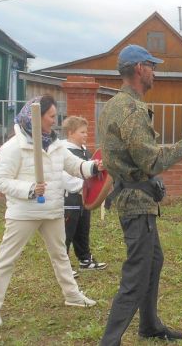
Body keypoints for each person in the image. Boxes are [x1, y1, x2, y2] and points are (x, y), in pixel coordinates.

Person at [98, 45, 182, 345]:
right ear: (138, 69)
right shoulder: (131, 110)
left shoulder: (115, 105)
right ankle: (109, 341)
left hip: (136, 200)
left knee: (154, 260)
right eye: (152, 66)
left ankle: (148, 324)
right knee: (137, 273)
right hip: (135, 203)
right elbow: (152, 161)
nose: (155, 72)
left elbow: (133, 159)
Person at [0, 95, 101, 328]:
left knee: (60, 256)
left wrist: (94, 167)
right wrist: (29, 189)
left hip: (52, 211)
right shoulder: (13, 147)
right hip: (23, 213)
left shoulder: (56, 145)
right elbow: (0, 180)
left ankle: (72, 296)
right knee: (6, 259)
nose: (54, 121)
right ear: (35, 117)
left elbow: (76, 167)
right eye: (50, 116)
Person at [61, 116, 107, 277]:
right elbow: (65, 177)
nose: (86, 135)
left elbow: (91, 172)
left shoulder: (84, 151)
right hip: (69, 199)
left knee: (83, 230)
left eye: (86, 132)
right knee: (67, 233)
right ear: (70, 132)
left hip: (84, 199)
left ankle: (85, 259)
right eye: (82, 132)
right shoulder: (63, 151)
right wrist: (82, 187)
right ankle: (63, 265)